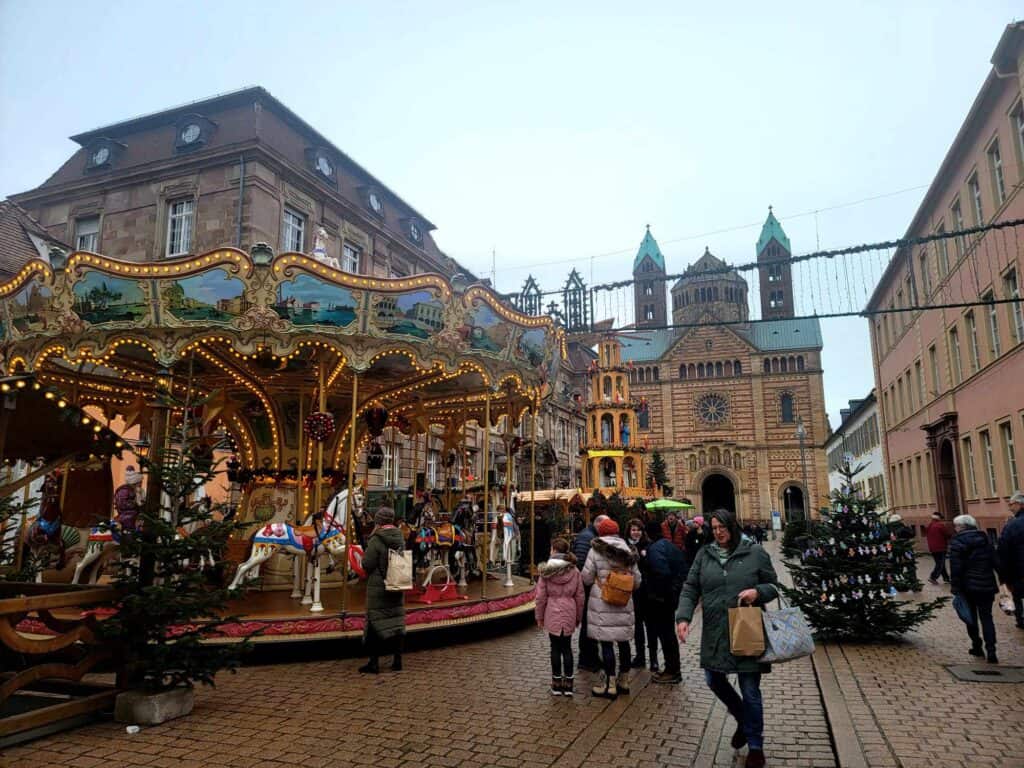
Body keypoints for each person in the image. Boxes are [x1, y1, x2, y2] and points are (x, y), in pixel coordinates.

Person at [676, 508, 779, 768]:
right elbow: (690, 587)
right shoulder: (705, 553)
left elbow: (773, 586)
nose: (719, 532)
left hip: (746, 627)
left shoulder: (754, 552)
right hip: (715, 629)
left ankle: (755, 746)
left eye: (723, 527)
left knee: (750, 689)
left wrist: (757, 592)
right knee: (713, 678)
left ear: (733, 526)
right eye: (714, 528)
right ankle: (743, 719)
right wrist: (683, 617)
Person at [581, 517, 642, 698]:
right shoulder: (629, 551)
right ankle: (624, 681)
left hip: (602, 601)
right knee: (624, 643)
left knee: (606, 643)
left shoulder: (595, 551)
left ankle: (610, 684)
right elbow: (637, 581)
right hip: (623, 602)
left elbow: (586, 577)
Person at [359, 507, 407, 674]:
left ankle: (373, 663)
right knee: (397, 622)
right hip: (396, 583)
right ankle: (398, 660)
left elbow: (367, 563)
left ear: (379, 521)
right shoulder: (399, 537)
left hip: (379, 587)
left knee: (374, 623)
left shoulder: (376, 539)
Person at [535, 538, 585, 696]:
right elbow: (580, 596)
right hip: (569, 609)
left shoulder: (546, 571)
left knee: (555, 648)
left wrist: (539, 616)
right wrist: (578, 616)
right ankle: (569, 684)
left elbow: (540, 597)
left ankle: (556, 683)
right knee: (567, 648)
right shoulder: (575, 571)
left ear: (554, 550)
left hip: (552, 610)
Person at [949, 514, 999, 663]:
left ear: (961, 527)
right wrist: (1003, 580)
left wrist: (955, 587)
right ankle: (991, 651)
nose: (955, 529)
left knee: (970, 618)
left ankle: (977, 645)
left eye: (956, 526)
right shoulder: (985, 539)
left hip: (967, 586)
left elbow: (956, 567)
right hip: (986, 585)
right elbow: (995, 561)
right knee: (987, 618)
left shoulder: (957, 542)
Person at [644, 520, 686, 684]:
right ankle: (672, 668)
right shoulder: (669, 545)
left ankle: (672, 670)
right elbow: (682, 567)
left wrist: (657, 594)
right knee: (668, 634)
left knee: (666, 635)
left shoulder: (655, 549)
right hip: (671, 597)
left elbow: (662, 573)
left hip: (662, 600)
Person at [573, 513, 608, 671]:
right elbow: (580, 562)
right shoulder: (586, 537)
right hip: (586, 587)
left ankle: (590, 656)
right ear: (598, 524)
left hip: (591, 586)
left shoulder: (591, 536)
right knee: (588, 623)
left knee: (591, 622)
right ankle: (586, 659)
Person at [625, 518, 654, 670]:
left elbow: (652, 566)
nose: (635, 532)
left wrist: (643, 557)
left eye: (638, 530)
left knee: (650, 625)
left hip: (647, 591)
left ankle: (653, 657)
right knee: (637, 625)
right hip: (633, 591)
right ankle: (640, 656)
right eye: (633, 529)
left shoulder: (648, 545)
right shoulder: (624, 546)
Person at [996, 491, 1024, 629]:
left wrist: (1003, 575)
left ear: (1019, 504)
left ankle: (1021, 619)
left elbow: (1003, 550)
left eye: (1011, 504)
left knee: (1017, 595)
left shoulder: (1012, 525)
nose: (1010, 508)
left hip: (1018, 569)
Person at [925, 512, 952, 584]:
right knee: (940, 563)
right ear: (939, 518)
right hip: (941, 547)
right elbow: (947, 535)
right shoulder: (940, 525)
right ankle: (933, 577)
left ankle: (946, 578)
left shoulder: (929, 525)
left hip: (932, 548)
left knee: (940, 563)